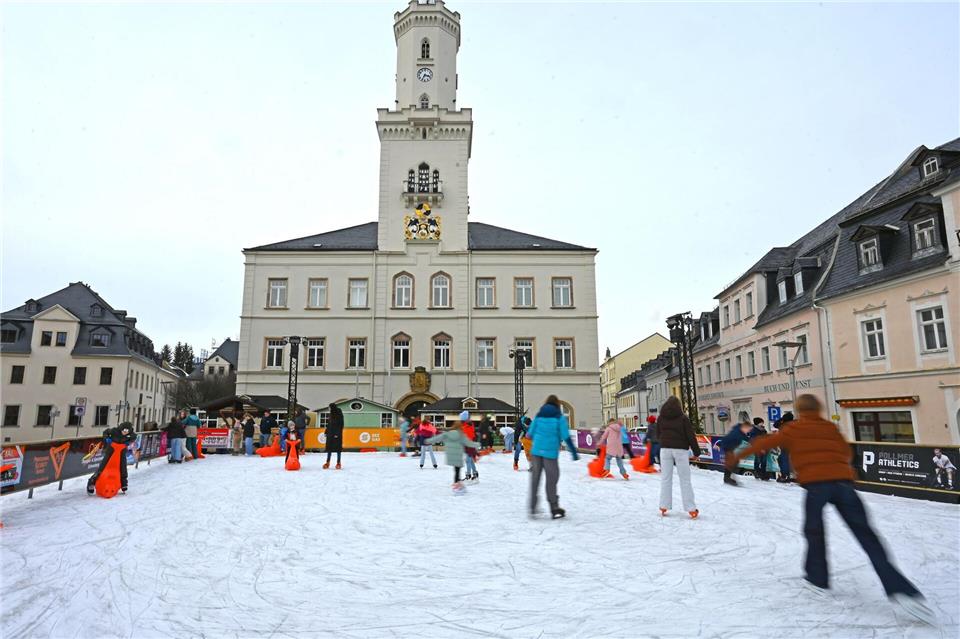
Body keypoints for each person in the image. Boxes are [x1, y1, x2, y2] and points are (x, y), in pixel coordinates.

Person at [726, 394, 936, 625]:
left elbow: (763, 444)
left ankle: (817, 579)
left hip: (817, 486)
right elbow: (846, 453)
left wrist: (737, 457)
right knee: (866, 535)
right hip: (844, 484)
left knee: (814, 530)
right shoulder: (829, 427)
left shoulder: (794, 428)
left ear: (799, 410)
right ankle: (901, 590)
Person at [527, 395, 579, 518]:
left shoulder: (538, 416)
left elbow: (529, 435)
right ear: (556, 405)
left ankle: (533, 507)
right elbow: (566, 436)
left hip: (536, 452)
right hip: (550, 453)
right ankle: (554, 507)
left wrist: (539, 437)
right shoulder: (559, 418)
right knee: (551, 480)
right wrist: (574, 453)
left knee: (535, 480)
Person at [656, 396, 701, 518]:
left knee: (666, 478)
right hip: (680, 450)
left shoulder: (660, 418)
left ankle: (663, 505)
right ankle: (691, 508)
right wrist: (697, 452)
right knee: (685, 479)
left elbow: (657, 434)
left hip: (665, 450)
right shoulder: (683, 418)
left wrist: (663, 442)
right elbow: (690, 436)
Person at [426, 421, 479, 492]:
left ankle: (456, 483)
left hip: (450, 455)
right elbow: (468, 443)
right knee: (457, 470)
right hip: (458, 455)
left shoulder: (448, 434)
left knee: (456, 470)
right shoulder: (461, 435)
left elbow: (437, 438)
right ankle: (457, 485)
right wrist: (477, 444)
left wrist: (428, 441)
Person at [86, 424, 136, 495]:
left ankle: (123, 483)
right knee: (103, 467)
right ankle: (92, 482)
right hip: (110, 451)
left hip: (121, 452)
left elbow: (134, 437)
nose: (125, 432)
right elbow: (105, 432)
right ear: (121, 429)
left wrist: (128, 442)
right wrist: (107, 438)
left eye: (127, 431)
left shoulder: (130, 434)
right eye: (124, 430)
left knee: (123, 467)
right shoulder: (114, 431)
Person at [716, 419, 754, 486]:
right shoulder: (736, 433)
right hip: (728, 447)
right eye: (748, 429)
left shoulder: (741, 432)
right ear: (744, 427)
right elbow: (727, 438)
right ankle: (727, 478)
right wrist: (719, 443)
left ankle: (729, 477)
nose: (749, 431)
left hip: (731, 448)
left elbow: (747, 439)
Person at [460, 412, 479, 481]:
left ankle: (468, 475)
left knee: (468, 460)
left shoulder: (469, 426)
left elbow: (469, 436)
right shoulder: (464, 425)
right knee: (470, 461)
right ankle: (475, 473)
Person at [324, 403, 344, 469]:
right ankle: (327, 462)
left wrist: (337, 434)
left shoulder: (339, 414)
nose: (328, 409)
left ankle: (338, 462)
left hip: (337, 435)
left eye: (329, 407)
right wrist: (326, 431)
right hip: (330, 433)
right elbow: (329, 424)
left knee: (338, 449)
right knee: (329, 448)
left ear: (332, 407)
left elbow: (341, 425)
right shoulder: (331, 414)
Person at [776, 412, 795, 482]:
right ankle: (786, 475)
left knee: (784, 460)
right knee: (781, 459)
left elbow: (775, 424)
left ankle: (785, 476)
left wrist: (782, 419)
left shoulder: (783, 425)